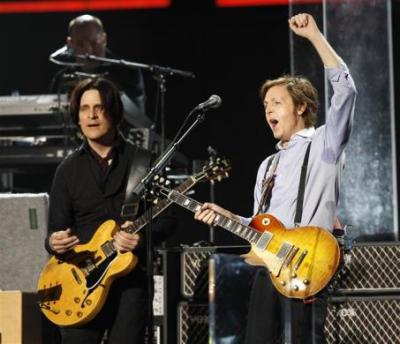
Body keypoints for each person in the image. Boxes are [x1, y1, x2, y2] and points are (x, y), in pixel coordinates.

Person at [194, 13, 356, 343]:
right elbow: (261, 226)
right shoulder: (268, 165)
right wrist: (228, 217)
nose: (268, 110)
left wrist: (314, 36)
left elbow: (346, 91)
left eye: (277, 103)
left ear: (301, 107)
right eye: (266, 104)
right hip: (269, 269)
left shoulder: (324, 145)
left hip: (307, 264)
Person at [44, 77, 175, 344]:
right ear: (77, 117)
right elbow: (55, 230)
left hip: (129, 282)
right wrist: (53, 242)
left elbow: (169, 220)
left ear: (113, 113)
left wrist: (141, 237)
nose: (91, 115)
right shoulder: (67, 170)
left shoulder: (143, 163)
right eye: (84, 109)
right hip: (80, 281)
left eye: (99, 107)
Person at [49, 14, 151, 129]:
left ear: (104, 39)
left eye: (94, 43)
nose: (88, 50)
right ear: (70, 43)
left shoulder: (127, 71)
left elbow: (135, 118)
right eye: (80, 44)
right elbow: (53, 118)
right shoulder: (63, 77)